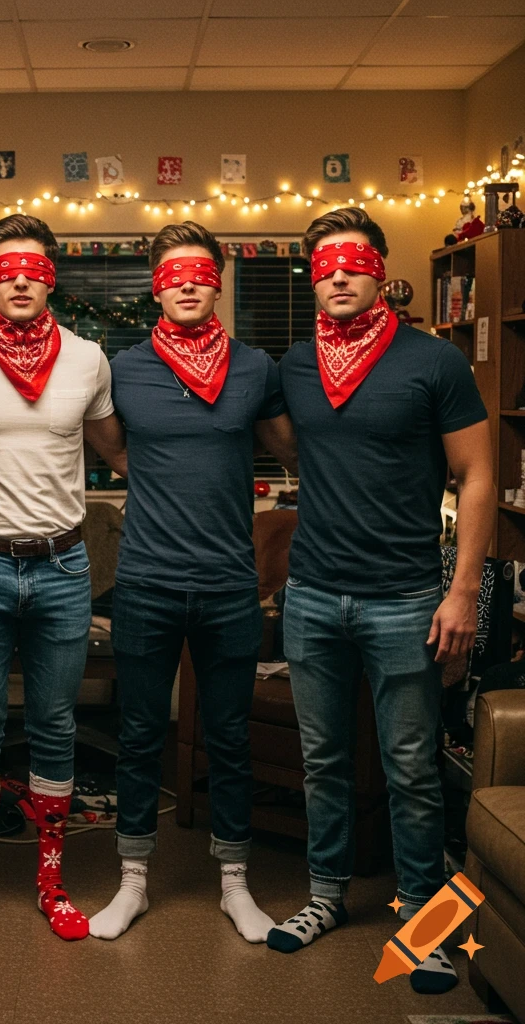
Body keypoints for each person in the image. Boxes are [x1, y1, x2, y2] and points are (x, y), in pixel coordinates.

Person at [267, 207, 494, 996]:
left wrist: (463, 591)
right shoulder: (296, 366)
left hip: (406, 598)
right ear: (311, 274)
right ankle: (325, 897)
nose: (337, 274)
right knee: (324, 761)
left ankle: (424, 923)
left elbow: (477, 476)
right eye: (323, 263)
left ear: (380, 270)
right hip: (314, 597)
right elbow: (294, 447)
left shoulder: (433, 361)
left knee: (410, 768)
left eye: (353, 262)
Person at [0, 214, 127, 943]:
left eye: (34, 268)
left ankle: (50, 878)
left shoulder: (88, 360)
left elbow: (121, 453)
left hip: (63, 566)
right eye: (6, 268)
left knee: (55, 727)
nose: (20, 279)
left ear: (51, 278)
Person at [90, 221, 298, 943]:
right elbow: (115, 450)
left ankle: (235, 886)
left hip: (229, 584)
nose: (187, 283)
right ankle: (133, 883)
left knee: (229, 735)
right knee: (143, 732)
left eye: (201, 272)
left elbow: (291, 450)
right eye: (173, 273)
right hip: (146, 580)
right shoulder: (124, 367)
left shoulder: (254, 368)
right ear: (156, 284)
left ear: (217, 283)